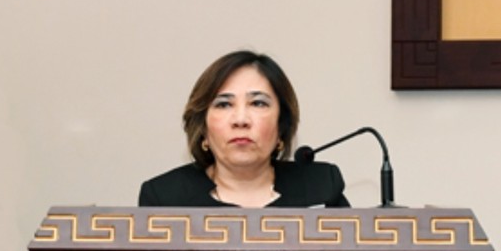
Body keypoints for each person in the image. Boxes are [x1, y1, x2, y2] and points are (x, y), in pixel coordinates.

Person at [139, 50, 350, 208]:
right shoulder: (165, 198)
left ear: (281, 125)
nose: (240, 120)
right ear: (203, 128)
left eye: (258, 103)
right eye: (224, 104)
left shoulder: (320, 187)